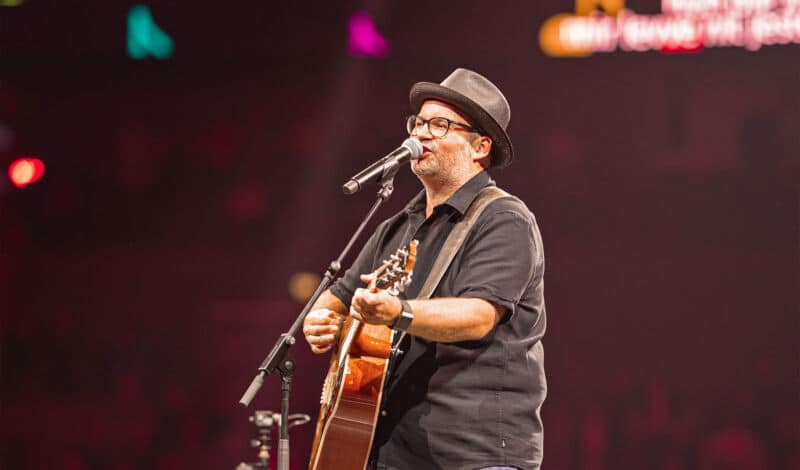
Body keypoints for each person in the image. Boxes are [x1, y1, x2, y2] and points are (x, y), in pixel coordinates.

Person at [303, 68, 546, 470]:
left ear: (480, 146)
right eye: (418, 122)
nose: (421, 134)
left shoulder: (504, 219)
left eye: (440, 124)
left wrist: (398, 313)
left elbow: (479, 315)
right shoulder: (397, 227)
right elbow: (338, 296)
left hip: (474, 453)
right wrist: (322, 320)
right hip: (392, 453)